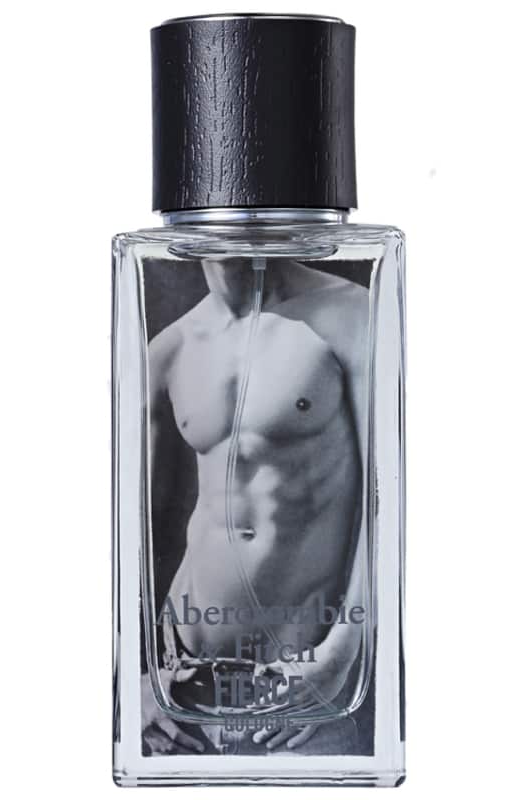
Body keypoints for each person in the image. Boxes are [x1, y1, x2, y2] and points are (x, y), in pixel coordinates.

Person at [142, 258, 369, 755]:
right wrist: (136, 676)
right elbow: (133, 530)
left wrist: (340, 654)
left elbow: (389, 498)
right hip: (180, 684)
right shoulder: (170, 348)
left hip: (299, 687)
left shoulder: (352, 316)